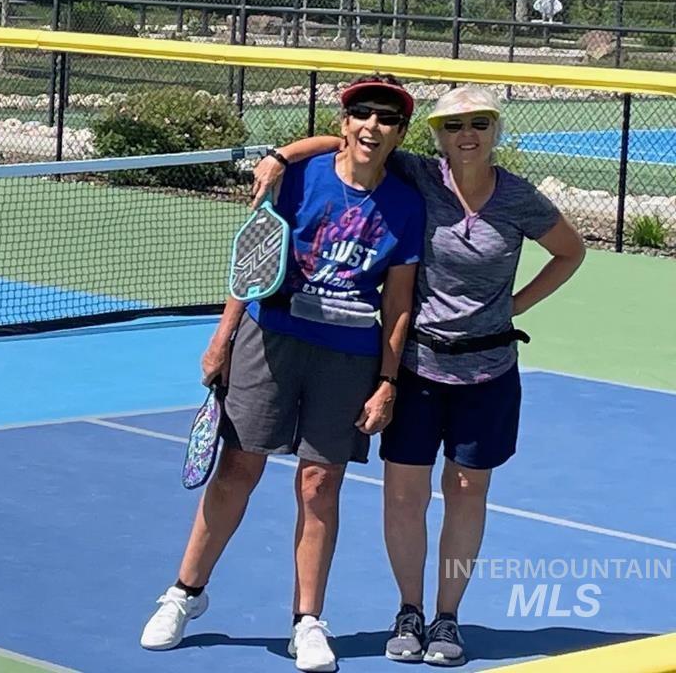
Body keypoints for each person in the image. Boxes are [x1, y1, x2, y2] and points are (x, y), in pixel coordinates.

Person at [250, 84, 586, 666]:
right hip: (417, 371)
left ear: (495, 132)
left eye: (479, 124)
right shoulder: (419, 174)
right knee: (405, 497)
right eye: (454, 127)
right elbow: (352, 142)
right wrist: (282, 154)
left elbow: (570, 252)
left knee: (466, 492)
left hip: (489, 374)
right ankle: (409, 611)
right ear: (438, 137)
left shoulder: (520, 198)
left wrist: (516, 306)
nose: (467, 135)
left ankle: (447, 618)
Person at [140, 74, 426, 673]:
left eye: (388, 119)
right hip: (268, 341)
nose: (373, 126)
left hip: (348, 357)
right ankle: (184, 594)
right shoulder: (297, 178)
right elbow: (252, 265)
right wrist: (220, 342)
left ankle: (308, 622)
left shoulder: (405, 203)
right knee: (238, 467)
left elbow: (399, 303)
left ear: (400, 133)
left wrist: (388, 380)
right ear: (345, 123)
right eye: (363, 115)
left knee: (320, 487)